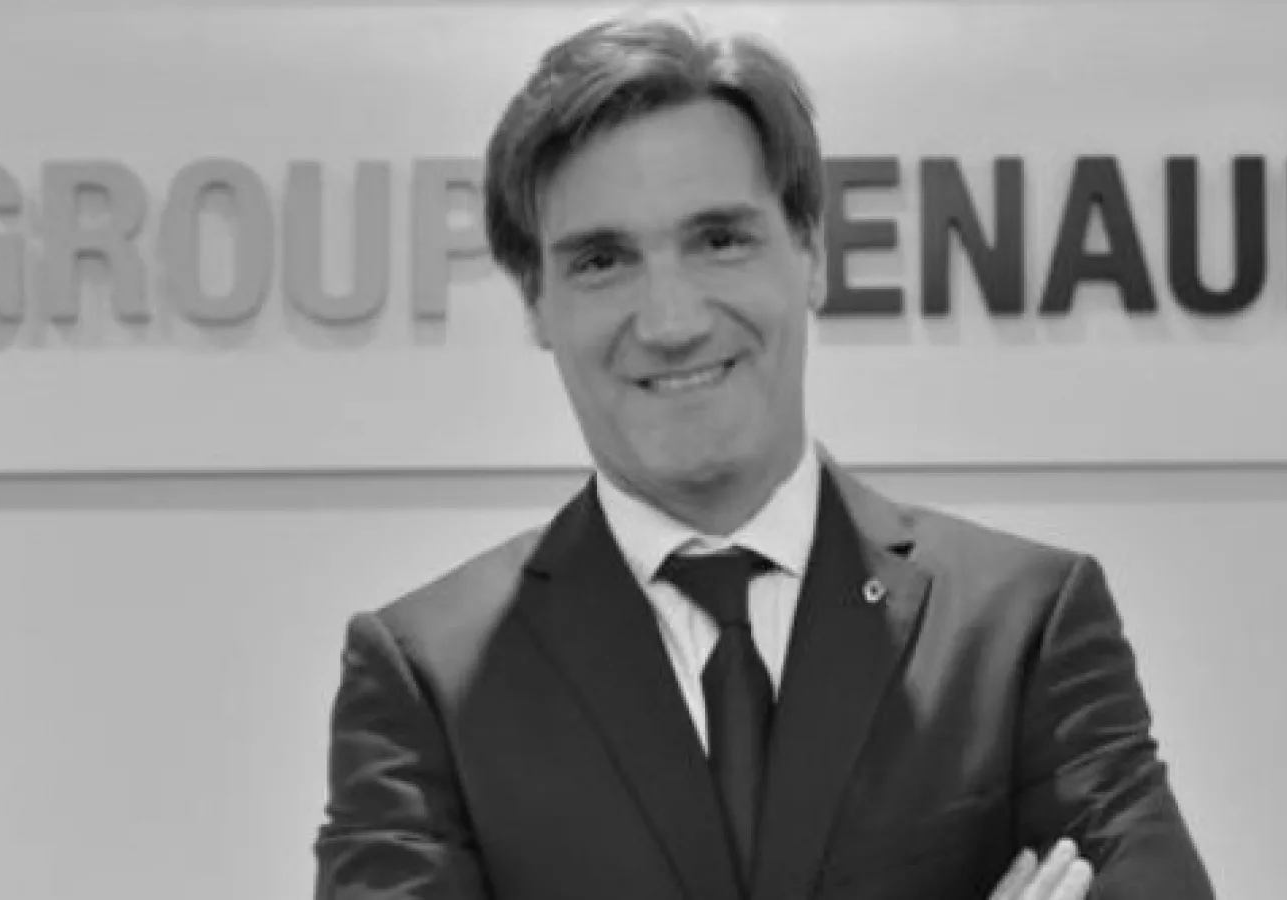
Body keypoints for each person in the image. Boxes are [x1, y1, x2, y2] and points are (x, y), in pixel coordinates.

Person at [313, 9, 1215, 900]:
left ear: (811, 251)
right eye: (602, 260)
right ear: (535, 304)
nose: (672, 321)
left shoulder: (1023, 628)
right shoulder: (425, 683)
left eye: (718, 240)